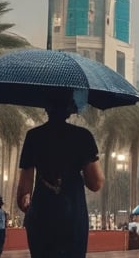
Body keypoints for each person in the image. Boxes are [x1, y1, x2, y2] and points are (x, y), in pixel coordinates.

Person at [15, 91, 104, 258]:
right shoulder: (82, 137)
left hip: (42, 214)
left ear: (46, 109)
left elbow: (23, 193)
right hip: (73, 215)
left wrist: (27, 203)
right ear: (70, 108)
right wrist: (77, 172)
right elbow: (96, 183)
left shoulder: (34, 137)